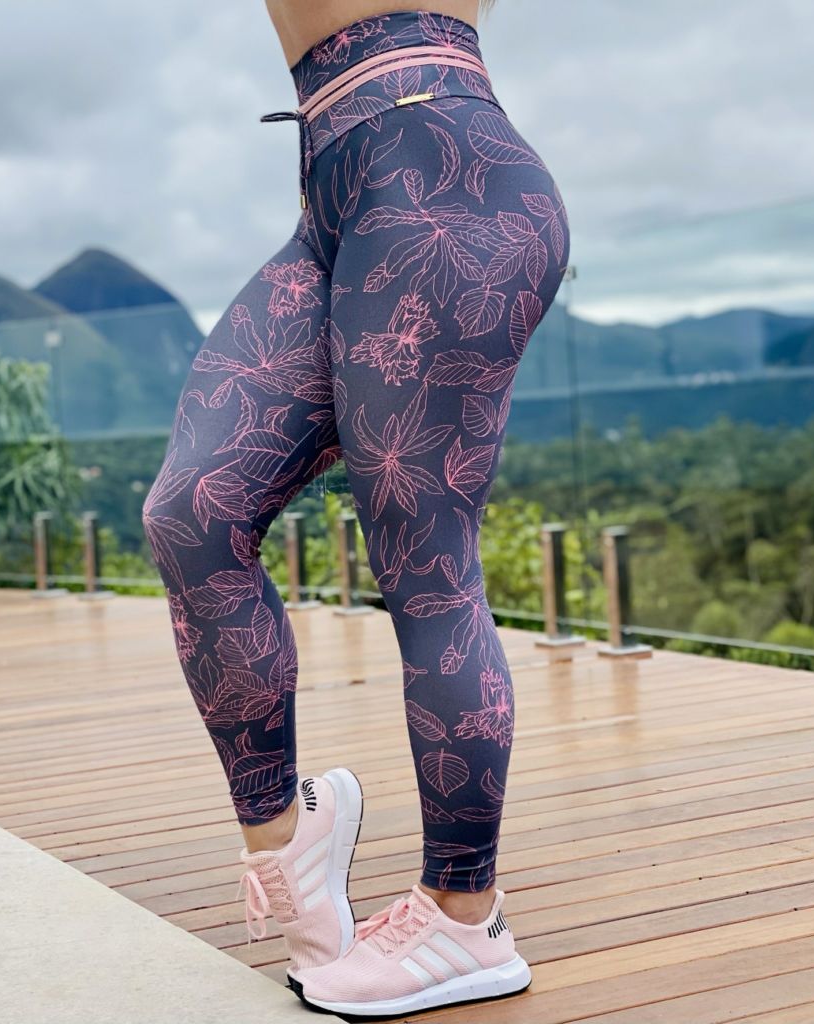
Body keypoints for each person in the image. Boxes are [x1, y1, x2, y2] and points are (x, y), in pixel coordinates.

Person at [141, 1, 570, 1016]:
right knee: (190, 514)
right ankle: (288, 838)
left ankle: (464, 913)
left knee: (425, 562)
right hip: (333, 192)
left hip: (447, 175)